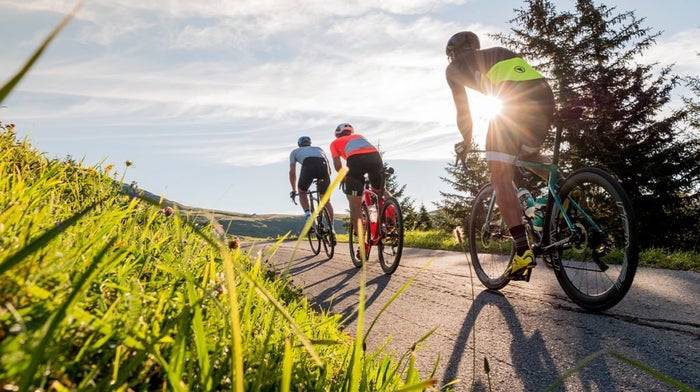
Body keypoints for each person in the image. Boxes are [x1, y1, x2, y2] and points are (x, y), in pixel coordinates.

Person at [445, 31, 555, 279]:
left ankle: (521, 250)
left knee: (500, 177)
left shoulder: (453, 69)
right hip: (544, 95)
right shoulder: (498, 53)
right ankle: (565, 191)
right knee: (531, 153)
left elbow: (464, 111)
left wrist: (465, 142)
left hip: (511, 102)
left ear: (452, 53)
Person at [329, 123, 387, 256]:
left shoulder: (335, 143)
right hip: (375, 156)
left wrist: (344, 179)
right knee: (379, 190)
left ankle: (362, 246)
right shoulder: (360, 136)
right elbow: (366, 152)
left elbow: (338, 165)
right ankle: (392, 214)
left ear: (338, 134)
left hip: (355, 161)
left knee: (354, 205)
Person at [289, 135, 334, 224]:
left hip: (308, 165)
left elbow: (292, 173)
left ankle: (308, 214)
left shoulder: (294, 152)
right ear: (310, 143)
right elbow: (329, 169)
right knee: (325, 200)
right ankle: (331, 227)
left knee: (302, 192)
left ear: (299, 144)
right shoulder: (318, 149)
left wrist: (294, 190)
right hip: (323, 168)